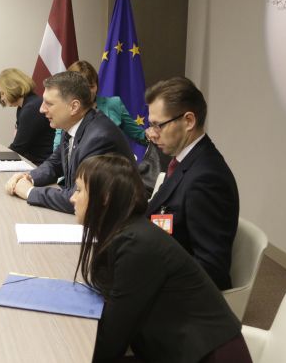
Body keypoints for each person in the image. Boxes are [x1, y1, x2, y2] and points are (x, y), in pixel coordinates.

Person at [71, 154, 251, 363]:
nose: (72, 198)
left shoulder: (136, 246)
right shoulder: (128, 232)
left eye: (79, 190)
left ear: (105, 197)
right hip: (180, 350)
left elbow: (111, 342)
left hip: (207, 356)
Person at [144, 77, 239, 290]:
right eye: (151, 125)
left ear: (188, 121)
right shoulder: (183, 160)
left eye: (158, 126)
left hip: (180, 292)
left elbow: (212, 269)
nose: (152, 135)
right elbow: (162, 215)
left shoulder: (207, 179)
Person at [5, 71, 134, 213]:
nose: (41, 109)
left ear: (74, 107)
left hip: (111, 222)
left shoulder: (99, 138)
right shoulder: (74, 125)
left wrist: (29, 192)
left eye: (49, 103)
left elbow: (80, 199)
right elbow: (54, 164)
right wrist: (29, 177)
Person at [52, 60, 146, 150]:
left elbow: (140, 136)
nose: (89, 92)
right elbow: (58, 150)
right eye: (84, 87)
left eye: (92, 86)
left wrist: (152, 134)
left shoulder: (114, 104)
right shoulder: (65, 110)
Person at [0, 68, 55, 165]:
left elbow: (18, 148)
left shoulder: (31, 108)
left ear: (13, 87)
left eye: (2, 93)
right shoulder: (24, 106)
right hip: (33, 162)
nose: (2, 98)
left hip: (40, 165)